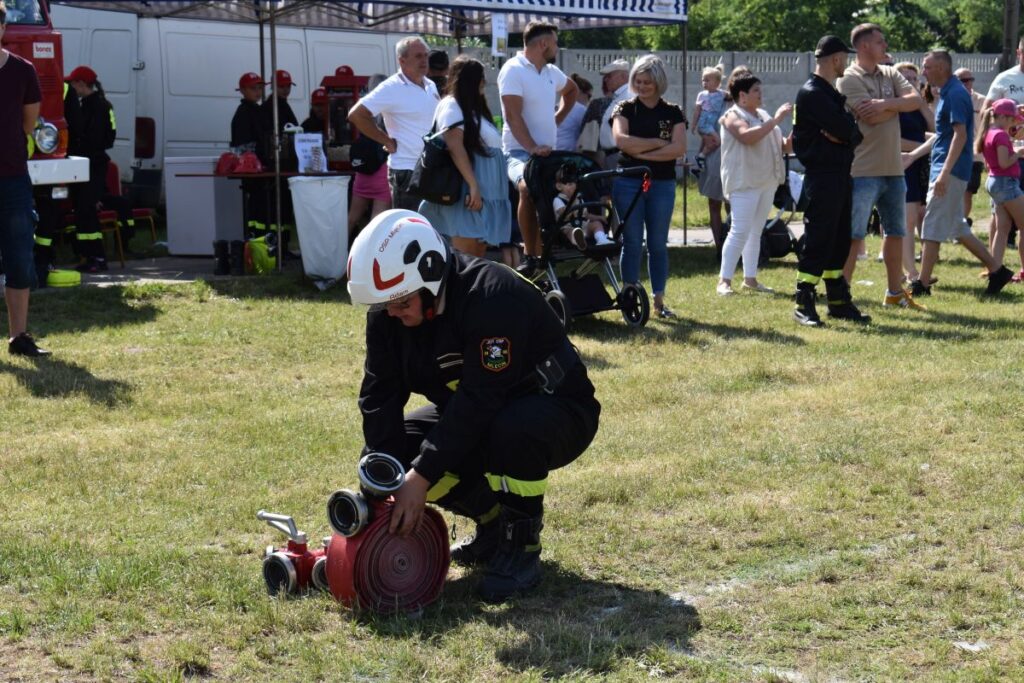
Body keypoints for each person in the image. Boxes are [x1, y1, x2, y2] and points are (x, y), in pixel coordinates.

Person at [347, 210, 600, 602]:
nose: (392, 314)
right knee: (396, 456)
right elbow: (378, 394)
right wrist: (385, 476)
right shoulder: (388, 314)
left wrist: (421, 477)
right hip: (482, 412)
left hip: (555, 411)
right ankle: (493, 523)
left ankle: (521, 548)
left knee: (510, 428)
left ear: (429, 277)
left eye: (400, 303)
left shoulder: (491, 295)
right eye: (384, 306)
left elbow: (481, 399)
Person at [836, 23, 926, 316]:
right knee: (855, 235)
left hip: (894, 169)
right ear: (864, 46)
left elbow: (916, 100)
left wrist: (887, 103)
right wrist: (897, 106)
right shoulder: (847, 78)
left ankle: (894, 293)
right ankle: (842, 294)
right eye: (879, 41)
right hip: (862, 169)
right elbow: (869, 117)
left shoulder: (890, 72)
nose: (885, 45)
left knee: (896, 232)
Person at [913, 51, 1014, 297]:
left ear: (941, 68)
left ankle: (922, 284)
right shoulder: (949, 92)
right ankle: (997, 270)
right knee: (957, 228)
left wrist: (944, 173)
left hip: (950, 170)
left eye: (927, 67)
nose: (923, 71)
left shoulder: (956, 94)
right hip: (948, 168)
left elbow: (961, 136)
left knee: (932, 224)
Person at [790, 36, 866, 326]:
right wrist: (845, 134)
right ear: (835, 59)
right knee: (820, 239)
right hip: (822, 177)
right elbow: (847, 130)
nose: (846, 63)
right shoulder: (813, 93)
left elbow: (853, 134)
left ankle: (837, 300)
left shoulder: (828, 93)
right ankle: (803, 300)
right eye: (844, 58)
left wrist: (845, 134)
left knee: (839, 240)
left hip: (840, 175)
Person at [498, 20, 578, 278]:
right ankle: (531, 256)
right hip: (518, 152)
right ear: (543, 44)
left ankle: (547, 249)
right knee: (526, 186)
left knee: (558, 193)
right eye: (555, 42)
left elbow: (572, 91)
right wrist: (531, 146)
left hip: (547, 154)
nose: (557, 46)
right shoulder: (513, 69)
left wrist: (557, 118)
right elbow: (512, 116)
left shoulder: (552, 72)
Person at [610, 55, 686, 319]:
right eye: (638, 81)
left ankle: (659, 301)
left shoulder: (673, 112)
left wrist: (643, 154)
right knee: (631, 242)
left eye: (647, 82)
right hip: (627, 183)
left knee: (657, 243)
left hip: (662, 184)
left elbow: (679, 148)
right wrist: (657, 142)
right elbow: (621, 141)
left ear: (659, 82)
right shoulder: (624, 109)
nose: (642, 87)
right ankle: (630, 296)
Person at [417, 56, 510, 257]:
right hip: (468, 190)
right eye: (481, 78)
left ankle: (472, 288)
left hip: (485, 191)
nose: (484, 83)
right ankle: (460, 288)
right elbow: (454, 145)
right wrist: (473, 185)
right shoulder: (451, 105)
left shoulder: (473, 108)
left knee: (477, 251)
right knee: (466, 254)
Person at [0, 5, 49, 356]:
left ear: (3, 27)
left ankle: (19, 337)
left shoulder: (23, 71)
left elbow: (27, 125)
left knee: (19, 258)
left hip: (12, 179)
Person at [716, 71, 791, 296]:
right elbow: (747, 136)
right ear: (742, 95)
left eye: (760, 89)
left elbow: (784, 147)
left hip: (766, 181)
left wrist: (799, 132)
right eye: (756, 90)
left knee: (755, 231)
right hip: (744, 181)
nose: (761, 94)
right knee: (739, 230)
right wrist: (777, 119)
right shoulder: (731, 116)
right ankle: (724, 281)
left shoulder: (763, 115)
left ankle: (750, 279)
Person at [349, 37, 439, 211]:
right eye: (418, 56)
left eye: (426, 56)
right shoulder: (391, 87)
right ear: (402, 60)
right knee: (409, 230)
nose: (424, 60)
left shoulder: (430, 85)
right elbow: (356, 115)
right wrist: (386, 141)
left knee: (431, 230)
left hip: (430, 168)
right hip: (406, 171)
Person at [65, 65, 114, 273]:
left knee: (87, 209)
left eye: (73, 84)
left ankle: (98, 257)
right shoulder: (95, 104)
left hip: (92, 165)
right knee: (81, 210)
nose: (71, 88)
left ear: (81, 84)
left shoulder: (97, 107)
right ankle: (88, 256)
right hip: (84, 164)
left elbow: (95, 137)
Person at [895, 61, 935, 284]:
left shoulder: (918, 105)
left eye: (914, 78)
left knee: (914, 219)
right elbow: (893, 140)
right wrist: (921, 145)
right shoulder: (894, 107)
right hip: (901, 166)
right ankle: (911, 273)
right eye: (905, 78)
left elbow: (934, 129)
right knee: (907, 221)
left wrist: (921, 104)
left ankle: (906, 270)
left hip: (918, 167)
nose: (911, 82)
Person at [975, 99, 1024, 274]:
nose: (1013, 123)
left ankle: (994, 268)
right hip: (1005, 183)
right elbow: (1004, 163)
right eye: (1012, 120)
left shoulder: (988, 131)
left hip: (994, 181)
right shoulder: (1001, 135)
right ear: (1002, 116)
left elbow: (993, 163)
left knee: (1002, 228)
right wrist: (1017, 153)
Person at [347, 74, 392, 238]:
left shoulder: (364, 108)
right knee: (376, 225)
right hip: (382, 171)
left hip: (363, 171)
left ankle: (337, 257)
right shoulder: (390, 109)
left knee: (351, 219)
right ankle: (368, 261)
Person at [230, 72, 268, 239]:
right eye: (254, 88)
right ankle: (254, 238)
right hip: (251, 169)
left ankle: (261, 237)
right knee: (255, 205)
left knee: (262, 205)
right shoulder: (243, 113)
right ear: (243, 90)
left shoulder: (257, 110)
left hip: (262, 167)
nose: (258, 92)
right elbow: (242, 145)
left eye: (260, 88)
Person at [552, 163, 612, 247]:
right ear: (559, 186)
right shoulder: (558, 200)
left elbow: (585, 215)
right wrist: (572, 200)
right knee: (570, 232)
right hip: (568, 226)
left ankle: (601, 239)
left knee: (596, 224)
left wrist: (599, 217)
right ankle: (579, 242)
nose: (573, 186)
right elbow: (564, 215)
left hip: (583, 225)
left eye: (574, 184)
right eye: (569, 184)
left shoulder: (579, 198)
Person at [955, 68, 986, 224]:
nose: (968, 83)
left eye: (970, 80)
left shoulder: (981, 101)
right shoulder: (949, 98)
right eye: (963, 80)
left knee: (968, 191)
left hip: (974, 154)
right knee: (953, 191)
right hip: (953, 152)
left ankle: (962, 223)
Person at [597, 59, 631, 170]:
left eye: (609, 76)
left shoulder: (628, 96)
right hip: (613, 155)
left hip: (620, 155)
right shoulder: (620, 96)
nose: (605, 80)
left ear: (623, 77)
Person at [691, 66, 726, 172]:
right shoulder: (702, 95)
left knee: (711, 144)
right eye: (703, 80)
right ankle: (700, 157)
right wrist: (694, 125)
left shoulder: (722, 94)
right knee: (718, 141)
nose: (704, 82)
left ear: (717, 82)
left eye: (707, 80)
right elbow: (697, 111)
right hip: (705, 123)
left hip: (712, 124)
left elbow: (732, 96)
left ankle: (700, 158)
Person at [555, 73, 591, 152]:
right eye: (589, 96)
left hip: (549, 155)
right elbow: (590, 139)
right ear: (579, 92)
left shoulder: (555, 107)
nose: (589, 100)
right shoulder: (580, 109)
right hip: (567, 155)